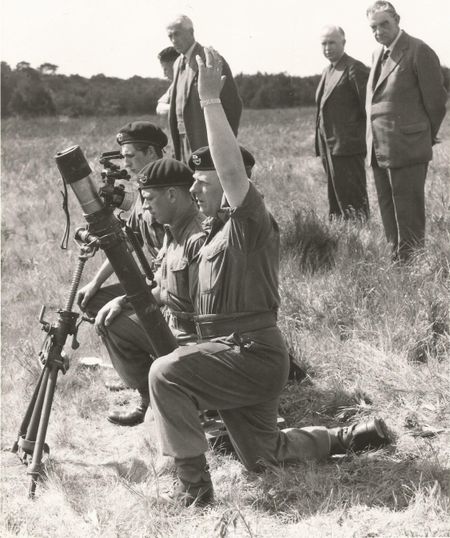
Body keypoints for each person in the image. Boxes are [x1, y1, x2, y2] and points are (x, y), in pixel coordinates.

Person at [148, 47, 390, 507]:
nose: (193, 189)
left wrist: (209, 101)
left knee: (165, 375)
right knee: (262, 455)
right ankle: (348, 437)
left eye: (203, 181)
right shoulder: (209, 233)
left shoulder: (249, 222)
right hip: (231, 353)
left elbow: (232, 170)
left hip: (251, 353)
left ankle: (194, 489)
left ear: (229, 182)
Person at [83, 158, 206, 426]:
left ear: (172, 195)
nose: (145, 206)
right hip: (175, 327)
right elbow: (163, 286)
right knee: (111, 321)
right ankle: (151, 398)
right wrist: (123, 301)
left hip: (196, 340)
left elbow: (206, 310)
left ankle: (183, 397)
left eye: (149, 198)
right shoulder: (173, 231)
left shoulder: (198, 237)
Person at [77, 121, 167, 422]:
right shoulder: (144, 189)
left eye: (130, 155)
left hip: (170, 289)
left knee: (111, 318)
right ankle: (140, 370)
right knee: (92, 301)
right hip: (155, 283)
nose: (124, 162)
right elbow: (128, 242)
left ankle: (148, 393)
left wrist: (127, 300)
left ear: (151, 152)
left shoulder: (169, 190)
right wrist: (94, 282)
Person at [365, 1, 447, 261]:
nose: (379, 32)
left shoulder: (418, 50)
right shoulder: (377, 54)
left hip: (408, 147)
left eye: (384, 24)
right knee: (388, 209)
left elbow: (436, 103)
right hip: (379, 148)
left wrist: (421, 135)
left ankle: (413, 266)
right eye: (373, 27)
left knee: (408, 211)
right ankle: (396, 261)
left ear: (397, 19)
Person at [166, 14, 242, 163]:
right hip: (182, 143)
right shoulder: (177, 64)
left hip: (206, 143)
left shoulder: (209, 58)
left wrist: (224, 143)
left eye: (177, 34)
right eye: (170, 36)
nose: (174, 40)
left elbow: (233, 105)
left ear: (191, 32)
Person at [315, 25, 370, 220]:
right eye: (324, 43)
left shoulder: (354, 67)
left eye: (332, 42)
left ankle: (361, 239)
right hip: (328, 147)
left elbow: (369, 108)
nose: (328, 47)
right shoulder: (327, 70)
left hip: (348, 146)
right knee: (336, 197)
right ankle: (341, 237)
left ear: (343, 43)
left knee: (353, 198)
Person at [156, 46, 180, 118]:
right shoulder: (174, 85)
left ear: (175, 65)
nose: (164, 74)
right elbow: (159, 107)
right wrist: (178, 109)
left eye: (165, 69)